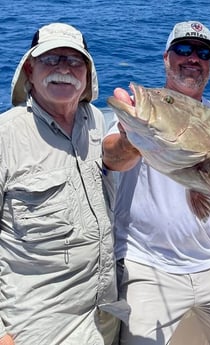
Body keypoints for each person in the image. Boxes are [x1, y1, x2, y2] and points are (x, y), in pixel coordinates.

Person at [102, 21, 210, 345]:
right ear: (166, 57)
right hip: (145, 263)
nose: (193, 58)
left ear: (209, 64)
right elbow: (112, 157)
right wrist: (132, 140)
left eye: (202, 52)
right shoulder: (140, 115)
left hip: (209, 263)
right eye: (183, 49)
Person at [0, 23, 120, 344]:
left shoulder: (95, 121)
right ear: (29, 68)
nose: (63, 70)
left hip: (105, 315)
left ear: (87, 72)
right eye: (51, 60)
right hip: (37, 324)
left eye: (74, 61)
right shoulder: (6, 135)